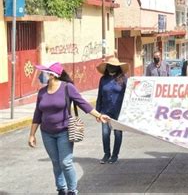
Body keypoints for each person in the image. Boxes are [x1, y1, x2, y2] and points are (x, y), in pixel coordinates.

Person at [29, 62, 110, 195]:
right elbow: (38, 113)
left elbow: (82, 102)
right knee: (56, 163)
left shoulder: (67, 88)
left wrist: (98, 115)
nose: (40, 75)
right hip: (47, 133)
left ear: (52, 75)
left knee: (65, 163)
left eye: (43, 72)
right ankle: (61, 189)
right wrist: (32, 134)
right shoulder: (42, 92)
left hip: (64, 131)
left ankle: (72, 190)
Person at [96, 57, 129, 164]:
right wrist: (97, 112)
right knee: (105, 134)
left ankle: (115, 155)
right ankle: (106, 154)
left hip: (119, 111)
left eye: (114, 66)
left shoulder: (123, 79)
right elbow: (99, 95)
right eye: (109, 65)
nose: (111, 67)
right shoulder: (103, 79)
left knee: (118, 134)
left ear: (118, 67)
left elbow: (129, 95)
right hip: (105, 111)